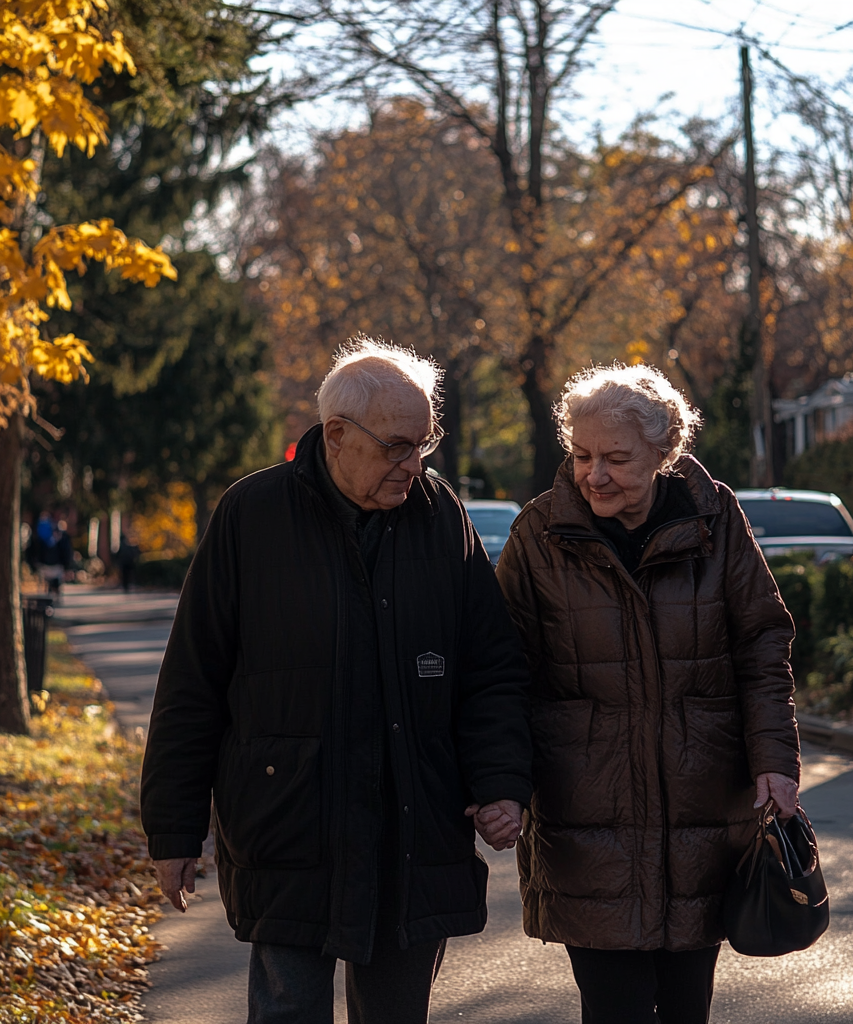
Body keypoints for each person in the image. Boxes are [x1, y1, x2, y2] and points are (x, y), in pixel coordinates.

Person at [140, 337, 532, 1024]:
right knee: (288, 1010)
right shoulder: (250, 516)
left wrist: (501, 781)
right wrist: (174, 829)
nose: (414, 463)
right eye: (397, 446)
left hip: (413, 830)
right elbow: (193, 681)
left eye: (425, 443)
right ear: (337, 435)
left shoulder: (441, 518)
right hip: (288, 828)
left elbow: (490, 666)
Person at [495, 363, 801, 1024]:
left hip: (701, 817)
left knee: (688, 1005)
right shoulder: (538, 536)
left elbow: (762, 642)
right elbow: (500, 673)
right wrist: (502, 785)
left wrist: (775, 761)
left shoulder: (715, 519)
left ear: (666, 451)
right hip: (586, 822)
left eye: (616, 458)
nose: (594, 474)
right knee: (615, 1007)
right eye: (581, 455)